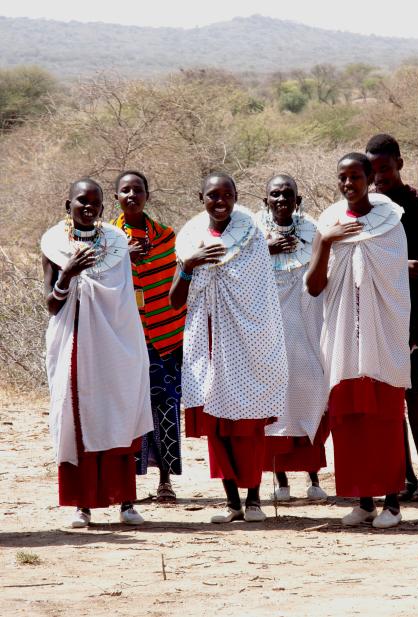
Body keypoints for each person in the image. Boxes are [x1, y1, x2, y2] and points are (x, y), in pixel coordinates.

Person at [170, 172, 288, 524]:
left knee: (249, 422)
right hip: (206, 341)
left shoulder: (251, 235)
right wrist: (190, 265)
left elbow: (260, 293)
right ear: (200, 197)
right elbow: (176, 301)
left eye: (226, 195)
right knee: (217, 425)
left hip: (247, 339)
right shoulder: (190, 239)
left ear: (237, 196)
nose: (219, 201)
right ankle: (231, 502)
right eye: (211, 195)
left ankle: (254, 500)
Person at [307, 153, 411, 529]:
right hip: (342, 337)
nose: (349, 183)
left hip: (381, 334)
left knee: (383, 417)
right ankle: (364, 501)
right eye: (342, 177)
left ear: (370, 178)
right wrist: (326, 241)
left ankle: (393, 503)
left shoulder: (390, 222)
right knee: (348, 417)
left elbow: (396, 281)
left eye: (356, 176)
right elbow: (314, 286)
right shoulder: (328, 222)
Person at [41, 178, 153, 528]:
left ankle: (126, 502)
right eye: (81, 201)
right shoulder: (55, 243)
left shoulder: (116, 242)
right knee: (78, 415)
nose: (88, 207)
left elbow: (121, 297)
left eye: (95, 202)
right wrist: (68, 275)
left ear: (104, 207)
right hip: (74, 340)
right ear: (67, 205)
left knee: (118, 413)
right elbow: (50, 304)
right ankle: (82, 505)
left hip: (117, 342)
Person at [365, 134, 418, 503]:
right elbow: (357, 257)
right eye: (372, 170)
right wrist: (397, 266)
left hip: (415, 311)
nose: (379, 176)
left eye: (385, 168)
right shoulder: (365, 207)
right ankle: (403, 473)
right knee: (387, 392)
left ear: (399, 163)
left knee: (411, 389)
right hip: (374, 310)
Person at [254, 174, 329, 502]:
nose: (281, 200)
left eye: (288, 195)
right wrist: (265, 250)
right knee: (274, 399)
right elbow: (237, 272)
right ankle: (280, 481)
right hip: (268, 329)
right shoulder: (252, 231)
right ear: (266, 199)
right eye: (275, 195)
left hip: (306, 323)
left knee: (309, 391)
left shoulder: (313, 229)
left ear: (298, 201)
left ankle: (314, 478)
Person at [112, 171, 186, 503]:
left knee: (166, 407)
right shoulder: (109, 240)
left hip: (164, 340)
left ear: (147, 196)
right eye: (125, 190)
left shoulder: (167, 237)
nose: (131, 195)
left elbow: (176, 284)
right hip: (124, 341)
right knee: (126, 409)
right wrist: (122, 257)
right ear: (116, 198)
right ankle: (125, 480)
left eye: (137, 190)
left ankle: (165, 481)